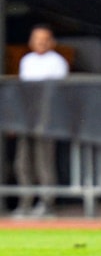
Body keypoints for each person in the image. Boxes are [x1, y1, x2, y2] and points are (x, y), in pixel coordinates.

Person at [12, 23, 69, 217]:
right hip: (26, 118)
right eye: (37, 39)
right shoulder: (26, 60)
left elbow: (56, 93)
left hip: (47, 119)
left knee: (44, 161)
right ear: (31, 41)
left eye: (45, 39)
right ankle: (25, 202)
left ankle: (46, 203)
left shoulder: (57, 61)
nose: (41, 43)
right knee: (23, 161)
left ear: (51, 42)